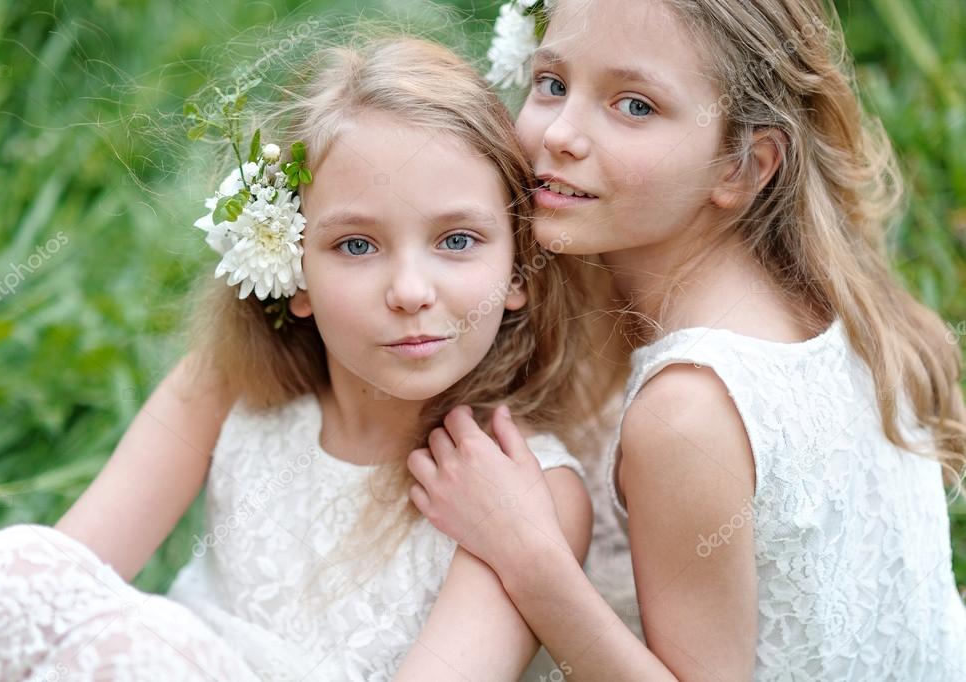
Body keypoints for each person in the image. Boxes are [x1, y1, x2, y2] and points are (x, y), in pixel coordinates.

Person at [0, 37, 594, 681]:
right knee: (12, 571)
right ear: (292, 269)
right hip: (157, 660)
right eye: (357, 245)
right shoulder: (228, 382)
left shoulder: (520, 490)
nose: (410, 292)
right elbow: (67, 577)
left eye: (456, 240)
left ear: (519, 269)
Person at [408, 0, 966, 679]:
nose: (560, 133)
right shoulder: (842, 308)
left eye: (634, 106)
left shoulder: (689, 412)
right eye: (551, 84)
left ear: (740, 166)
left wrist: (525, 554)